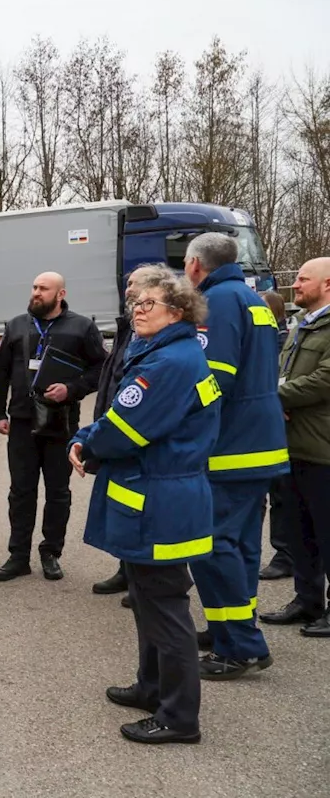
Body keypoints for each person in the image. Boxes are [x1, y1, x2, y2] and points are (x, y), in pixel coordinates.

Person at [68, 266, 221, 745]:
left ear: (176, 311)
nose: (137, 310)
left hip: (161, 500)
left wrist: (85, 445)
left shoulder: (168, 363)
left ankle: (178, 718)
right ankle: (151, 687)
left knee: (165, 610)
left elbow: (124, 427)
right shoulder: (168, 351)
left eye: (148, 304)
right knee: (149, 604)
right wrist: (91, 439)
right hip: (158, 494)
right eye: (136, 303)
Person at [179, 233, 288, 679]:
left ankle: (242, 645)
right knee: (239, 545)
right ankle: (227, 628)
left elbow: (216, 379)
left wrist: (173, 412)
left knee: (213, 545)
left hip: (230, 448)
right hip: (258, 443)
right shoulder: (252, 297)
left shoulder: (218, 302)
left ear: (195, 266)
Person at [0, 271, 107, 582]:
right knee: (21, 491)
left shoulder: (82, 327)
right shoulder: (16, 325)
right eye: (34, 287)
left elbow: (101, 368)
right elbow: (0, 374)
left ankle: (51, 552)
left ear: (60, 294)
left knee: (58, 492)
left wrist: (72, 388)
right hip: (22, 422)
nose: (36, 293)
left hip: (60, 422)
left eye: (43, 289)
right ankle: (18, 556)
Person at [260, 257, 330, 638]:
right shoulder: (303, 324)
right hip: (294, 444)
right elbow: (285, 373)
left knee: (327, 529)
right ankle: (307, 600)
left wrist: (275, 397)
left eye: (303, 279)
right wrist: (280, 398)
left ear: (328, 284)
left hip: (323, 448)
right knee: (300, 530)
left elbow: (324, 380)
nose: (295, 285)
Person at [90, 265, 160, 601]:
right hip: (117, 423)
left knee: (138, 509)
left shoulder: (154, 335)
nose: (127, 289)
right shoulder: (127, 327)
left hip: (135, 431)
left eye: (133, 284)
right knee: (121, 504)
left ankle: (142, 578)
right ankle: (126, 570)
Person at [258, 289, 295, 580]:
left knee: (282, 494)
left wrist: (274, 400)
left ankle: (285, 554)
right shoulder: (266, 341)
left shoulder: (283, 342)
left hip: (285, 426)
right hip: (268, 424)